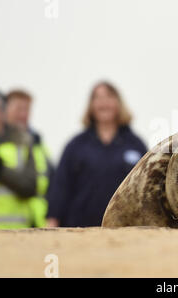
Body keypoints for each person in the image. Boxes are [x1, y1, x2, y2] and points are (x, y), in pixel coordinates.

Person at [47, 81, 148, 227]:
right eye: (98, 98)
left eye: (109, 97)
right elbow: (61, 186)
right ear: (91, 105)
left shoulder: (135, 144)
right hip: (79, 229)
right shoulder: (76, 145)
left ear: (118, 103)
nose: (104, 103)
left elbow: (146, 188)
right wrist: (52, 220)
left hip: (124, 230)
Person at [0, 86, 46, 229]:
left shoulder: (23, 142)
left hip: (14, 235)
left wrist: (0, 170)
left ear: (3, 112)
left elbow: (31, 187)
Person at [5, 89, 54, 205]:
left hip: (36, 220)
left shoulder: (38, 144)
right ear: (4, 109)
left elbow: (53, 181)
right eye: (18, 109)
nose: (23, 114)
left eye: (26, 109)